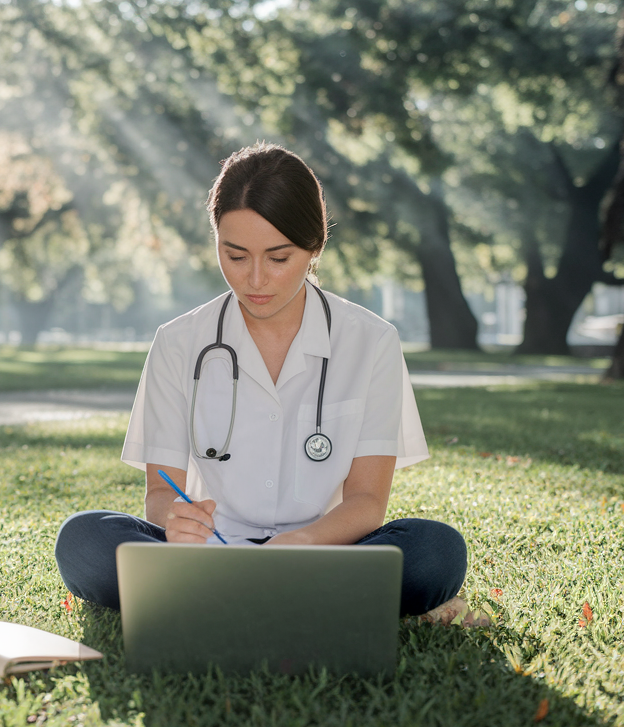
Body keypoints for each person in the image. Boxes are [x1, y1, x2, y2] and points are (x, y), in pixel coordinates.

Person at [54, 142, 486, 626]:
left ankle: (212, 604)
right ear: (216, 241)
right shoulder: (178, 342)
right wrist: (175, 518)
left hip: (322, 551)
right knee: (84, 541)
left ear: (314, 246)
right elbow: (160, 490)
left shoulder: (372, 342)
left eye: (278, 257)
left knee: (436, 550)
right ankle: (322, 606)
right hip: (209, 554)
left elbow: (366, 503)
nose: (256, 280)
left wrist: (296, 546)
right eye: (235, 255)